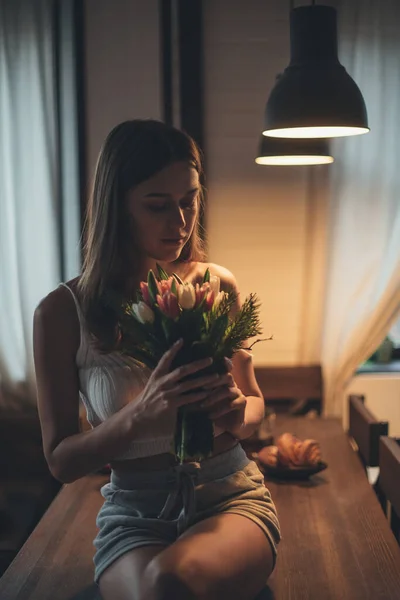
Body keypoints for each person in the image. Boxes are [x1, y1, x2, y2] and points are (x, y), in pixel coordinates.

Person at [33, 119, 281, 600]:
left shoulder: (215, 284)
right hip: (133, 514)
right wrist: (141, 415)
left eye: (189, 200)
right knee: (160, 587)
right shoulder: (63, 312)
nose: (181, 222)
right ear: (117, 206)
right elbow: (61, 461)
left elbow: (254, 403)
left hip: (229, 496)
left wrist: (237, 412)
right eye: (158, 205)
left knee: (171, 582)